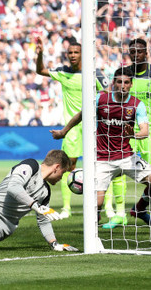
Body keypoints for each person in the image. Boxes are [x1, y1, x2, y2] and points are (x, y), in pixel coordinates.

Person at [35, 36, 125, 221]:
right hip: (72, 129)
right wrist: (40, 54)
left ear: (83, 54)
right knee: (69, 166)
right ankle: (66, 208)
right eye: (70, 53)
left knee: (102, 166)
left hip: (95, 127)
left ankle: (108, 207)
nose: (73, 55)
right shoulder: (63, 72)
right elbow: (40, 70)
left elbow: (108, 95)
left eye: (76, 52)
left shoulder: (95, 73)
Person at [51, 67, 151, 224]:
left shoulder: (137, 105)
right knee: (96, 205)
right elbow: (80, 116)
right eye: (119, 82)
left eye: (126, 82)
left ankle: (140, 208)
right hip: (102, 159)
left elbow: (145, 131)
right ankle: (94, 234)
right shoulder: (101, 99)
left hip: (126, 156)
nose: (122, 85)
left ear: (131, 84)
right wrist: (64, 132)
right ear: (113, 83)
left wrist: (133, 135)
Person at [127, 38, 151, 224]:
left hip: (148, 132)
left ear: (146, 53)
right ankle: (117, 212)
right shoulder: (124, 76)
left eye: (139, 51)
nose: (136, 55)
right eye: (132, 52)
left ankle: (140, 208)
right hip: (128, 132)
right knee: (117, 172)